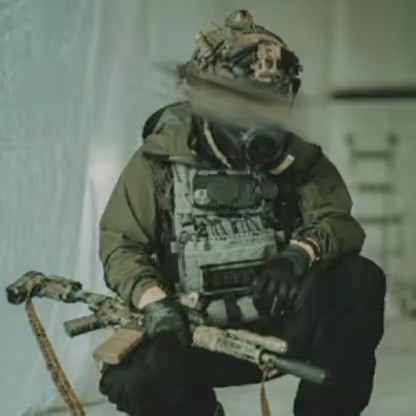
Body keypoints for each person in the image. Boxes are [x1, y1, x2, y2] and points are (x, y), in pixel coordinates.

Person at [98, 10, 386, 416]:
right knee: (131, 377)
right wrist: (156, 303)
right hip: (195, 335)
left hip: (281, 329)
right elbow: (121, 244)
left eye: (269, 102)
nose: (258, 117)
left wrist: (299, 255)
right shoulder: (159, 162)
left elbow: (337, 221)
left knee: (360, 280)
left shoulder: (296, 161)